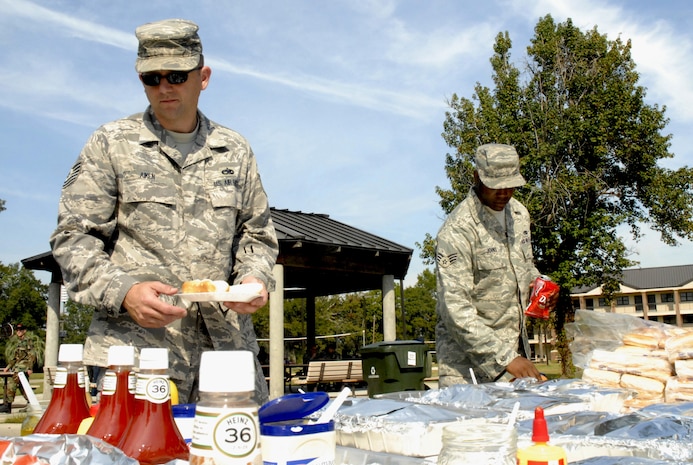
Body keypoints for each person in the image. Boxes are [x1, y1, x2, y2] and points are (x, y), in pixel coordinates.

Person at [50, 19, 278, 405]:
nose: (164, 87)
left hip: (226, 357)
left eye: (176, 75)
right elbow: (73, 238)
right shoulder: (111, 143)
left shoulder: (234, 150)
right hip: (137, 358)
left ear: (202, 76)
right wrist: (124, 292)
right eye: (151, 78)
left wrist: (254, 279)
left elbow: (256, 234)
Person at [435, 143, 553, 387]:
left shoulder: (519, 214)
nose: (504, 193)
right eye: (496, 186)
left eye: (511, 185)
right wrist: (505, 359)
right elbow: (454, 308)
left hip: (515, 358)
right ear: (477, 177)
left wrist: (539, 286)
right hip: (468, 372)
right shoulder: (458, 229)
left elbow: (524, 266)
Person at [1, 324, 37, 413]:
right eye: (17, 330)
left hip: (23, 368)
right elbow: (14, 358)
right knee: (23, 387)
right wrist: (7, 367)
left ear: (25, 331)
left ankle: (7, 405)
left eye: (21, 329)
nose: (18, 331)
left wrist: (30, 368)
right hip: (17, 367)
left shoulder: (28, 341)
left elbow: (32, 355)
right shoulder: (19, 343)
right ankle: (31, 403)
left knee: (11, 383)